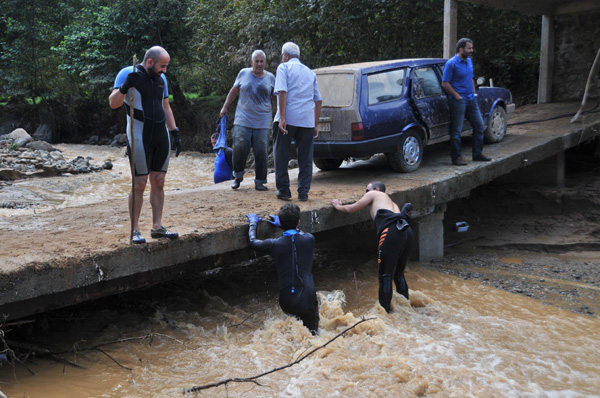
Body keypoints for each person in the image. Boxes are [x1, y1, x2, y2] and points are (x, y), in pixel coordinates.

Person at [109, 45, 181, 244]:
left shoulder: (162, 79)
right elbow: (113, 103)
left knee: (158, 180)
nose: (165, 70)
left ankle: (157, 226)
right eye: (162, 66)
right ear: (150, 62)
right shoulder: (127, 73)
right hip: (139, 134)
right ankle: (135, 230)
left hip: (160, 134)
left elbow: (166, 106)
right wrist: (124, 88)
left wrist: (175, 131)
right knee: (139, 183)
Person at [331, 181, 414, 313]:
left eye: (366, 190)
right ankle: (406, 309)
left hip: (391, 232)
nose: (365, 194)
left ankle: (386, 315)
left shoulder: (375, 193)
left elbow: (350, 209)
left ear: (376, 189)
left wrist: (337, 205)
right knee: (398, 275)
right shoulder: (393, 204)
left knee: (385, 276)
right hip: (407, 231)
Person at [247, 203, 319, 334]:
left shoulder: (273, 244)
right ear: (298, 222)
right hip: (306, 299)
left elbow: (252, 242)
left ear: (280, 221)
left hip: (286, 300)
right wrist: (283, 226)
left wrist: (253, 224)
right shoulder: (309, 239)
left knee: (292, 334)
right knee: (313, 335)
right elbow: (298, 235)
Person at [273, 42, 322, 201]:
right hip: (307, 120)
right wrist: (315, 123)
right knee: (306, 158)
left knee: (281, 154)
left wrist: (282, 117)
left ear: (285, 56)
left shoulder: (283, 67)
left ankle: (284, 191)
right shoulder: (310, 73)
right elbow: (318, 100)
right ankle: (303, 192)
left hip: (289, 118)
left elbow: (282, 91)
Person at [220, 50, 275, 191]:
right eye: (256, 61)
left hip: (263, 120)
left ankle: (260, 181)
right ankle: (237, 176)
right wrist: (225, 107)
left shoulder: (271, 77)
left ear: (265, 63)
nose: (259, 64)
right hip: (243, 118)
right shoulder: (243, 73)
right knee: (239, 148)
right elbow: (233, 91)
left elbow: (275, 98)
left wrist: (280, 115)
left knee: (261, 151)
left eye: (262, 61)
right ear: (251, 62)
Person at [442, 38, 492, 166]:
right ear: (461, 49)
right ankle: (456, 157)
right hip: (459, 101)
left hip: (471, 99)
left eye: (472, 48)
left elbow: (470, 78)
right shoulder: (451, 64)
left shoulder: (469, 61)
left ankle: (477, 154)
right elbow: (445, 83)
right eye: (469, 48)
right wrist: (457, 96)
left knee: (479, 126)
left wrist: (474, 94)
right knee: (457, 130)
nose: (471, 51)